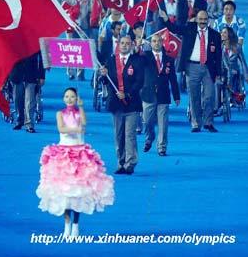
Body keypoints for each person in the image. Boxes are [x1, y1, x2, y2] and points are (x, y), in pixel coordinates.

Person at [36, 87, 114, 237]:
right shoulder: (60, 114)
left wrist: (82, 106)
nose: (69, 99)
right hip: (63, 155)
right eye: (67, 96)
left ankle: (76, 226)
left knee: (80, 192)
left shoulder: (79, 113)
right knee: (64, 192)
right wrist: (77, 130)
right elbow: (62, 128)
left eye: (72, 96)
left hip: (80, 155)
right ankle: (66, 225)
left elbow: (84, 122)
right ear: (64, 98)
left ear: (76, 98)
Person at [159, 9, 222, 133]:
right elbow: (174, 28)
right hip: (191, 67)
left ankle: (208, 122)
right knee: (194, 96)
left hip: (208, 68)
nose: (203, 22)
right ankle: (196, 123)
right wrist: (166, 19)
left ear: (208, 20)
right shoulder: (189, 28)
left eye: (205, 19)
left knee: (209, 96)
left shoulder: (215, 34)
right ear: (196, 20)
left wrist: (219, 73)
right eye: (200, 19)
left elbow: (218, 56)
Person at [101, 35, 144, 175]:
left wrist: (127, 94)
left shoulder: (137, 61)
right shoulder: (111, 61)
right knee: (119, 135)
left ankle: (130, 163)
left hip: (132, 105)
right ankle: (120, 162)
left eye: (127, 43)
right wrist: (103, 75)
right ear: (118, 45)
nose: (124, 46)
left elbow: (139, 82)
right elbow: (106, 82)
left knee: (129, 135)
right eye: (122, 43)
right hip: (116, 105)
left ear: (131, 45)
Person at [141, 33, 180, 156]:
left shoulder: (169, 59)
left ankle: (162, 147)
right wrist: (137, 48)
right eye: (154, 41)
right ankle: (150, 137)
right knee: (147, 122)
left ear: (162, 42)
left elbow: (173, 78)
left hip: (163, 94)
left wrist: (176, 96)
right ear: (150, 43)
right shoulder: (145, 57)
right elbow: (135, 59)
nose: (156, 43)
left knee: (163, 123)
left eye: (158, 41)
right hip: (148, 94)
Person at [9, 52, 45, 133]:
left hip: (32, 74)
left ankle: (29, 124)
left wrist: (42, 76)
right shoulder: (12, 40)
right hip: (17, 73)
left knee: (30, 100)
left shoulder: (36, 40)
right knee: (18, 99)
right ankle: (19, 120)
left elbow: (42, 57)